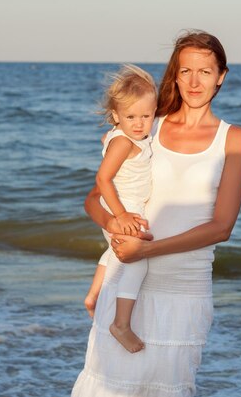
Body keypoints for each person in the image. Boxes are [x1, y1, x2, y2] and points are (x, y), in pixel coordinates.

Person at [72, 30, 241, 397]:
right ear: (174, 74)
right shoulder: (146, 124)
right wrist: (115, 226)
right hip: (127, 285)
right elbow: (94, 197)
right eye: (185, 71)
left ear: (222, 76)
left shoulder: (233, 139)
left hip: (184, 288)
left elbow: (221, 228)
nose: (194, 81)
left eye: (205, 71)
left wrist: (147, 250)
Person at [85, 64, 157, 354]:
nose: (139, 123)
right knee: (137, 260)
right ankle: (121, 324)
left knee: (113, 252)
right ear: (116, 116)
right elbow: (102, 178)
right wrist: (120, 215)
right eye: (130, 117)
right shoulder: (124, 143)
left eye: (146, 116)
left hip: (123, 204)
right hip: (121, 205)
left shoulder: (122, 134)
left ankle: (93, 296)